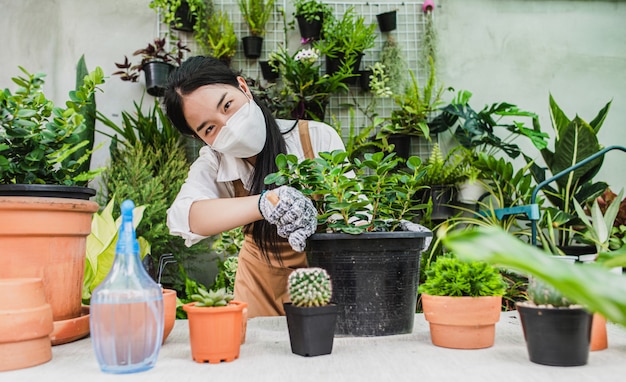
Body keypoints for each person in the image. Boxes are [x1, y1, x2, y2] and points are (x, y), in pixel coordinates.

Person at [164, 56, 347, 318]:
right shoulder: (216, 162)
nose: (228, 125)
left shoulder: (316, 137)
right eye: (209, 128)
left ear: (243, 87)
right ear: (199, 138)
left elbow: (355, 213)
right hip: (258, 288)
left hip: (322, 280)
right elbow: (185, 217)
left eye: (227, 105)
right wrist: (265, 203)